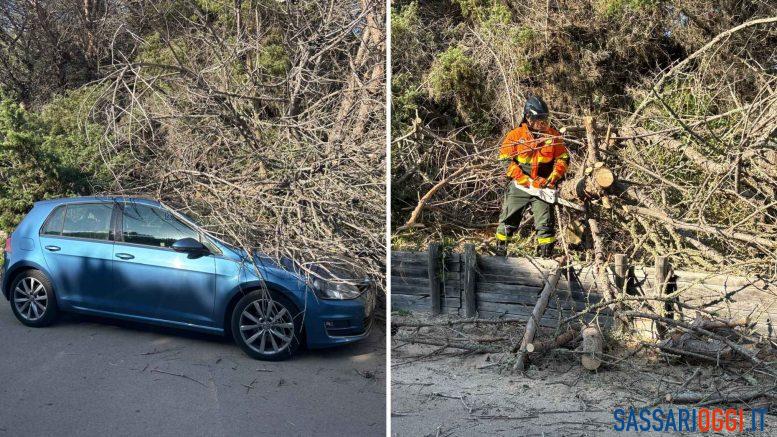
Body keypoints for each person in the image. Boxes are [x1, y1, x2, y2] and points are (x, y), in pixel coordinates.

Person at [495, 95, 569, 257]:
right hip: (521, 184)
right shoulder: (515, 136)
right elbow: (504, 160)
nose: (543, 123)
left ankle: (545, 258)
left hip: (542, 186)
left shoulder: (553, 136)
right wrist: (521, 178)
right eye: (539, 119)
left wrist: (555, 175)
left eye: (545, 119)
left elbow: (563, 158)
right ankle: (499, 256)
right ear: (528, 117)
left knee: (546, 224)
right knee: (508, 220)